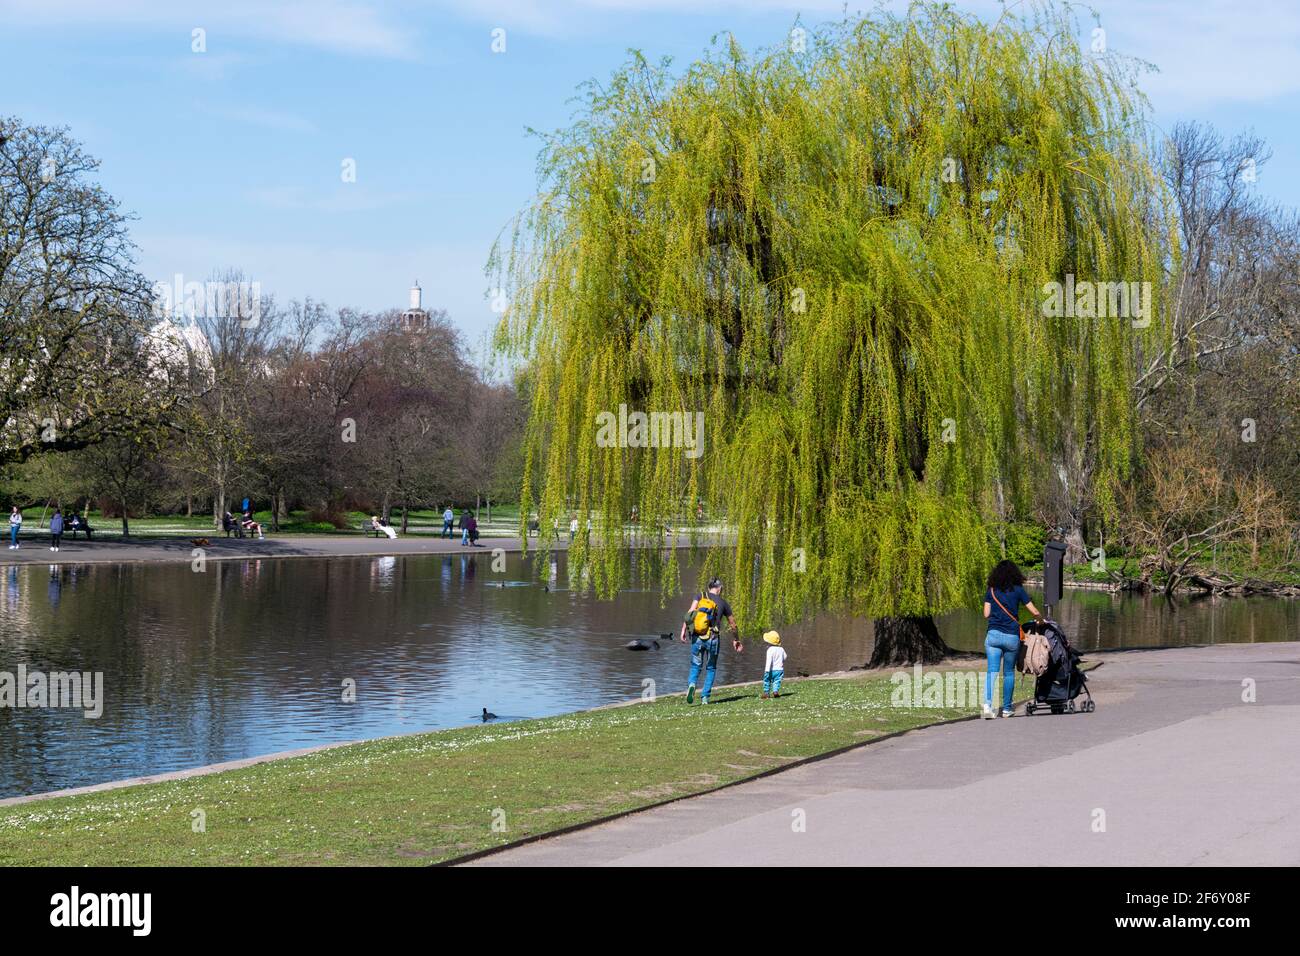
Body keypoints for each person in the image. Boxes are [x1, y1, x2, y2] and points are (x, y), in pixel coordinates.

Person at [982, 559, 1043, 719]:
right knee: (1008, 672)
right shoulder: (1018, 590)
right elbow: (1033, 610)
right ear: (1015, 573)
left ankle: (988, 706)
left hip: (993, 635)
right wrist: (1041, 620)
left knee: (992, 672)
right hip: (1011, 636)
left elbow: (986, 614)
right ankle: (1007, 709)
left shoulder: (991, 590)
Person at [678, 577, 741, 705]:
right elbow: (733, 624)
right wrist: (736, 639)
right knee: (711, 668)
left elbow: (690, 613)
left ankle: (691, 685)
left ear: (709, 588)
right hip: (713, 638)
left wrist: (683, 629)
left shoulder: (700, 596)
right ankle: (705, 697)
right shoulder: (723, 603)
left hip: (697, 636)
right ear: (720, 588)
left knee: (696, 665)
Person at [761, 630, 787, 699]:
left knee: (767, 680)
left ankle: (766, 693)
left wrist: (767, 670)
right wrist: (780, 661)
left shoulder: (770, 650)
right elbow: (785, 657)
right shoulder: (781, 649)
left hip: (770, 670)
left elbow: (769, 661)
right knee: (777, 681)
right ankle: (775, 691)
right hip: (779, 670)